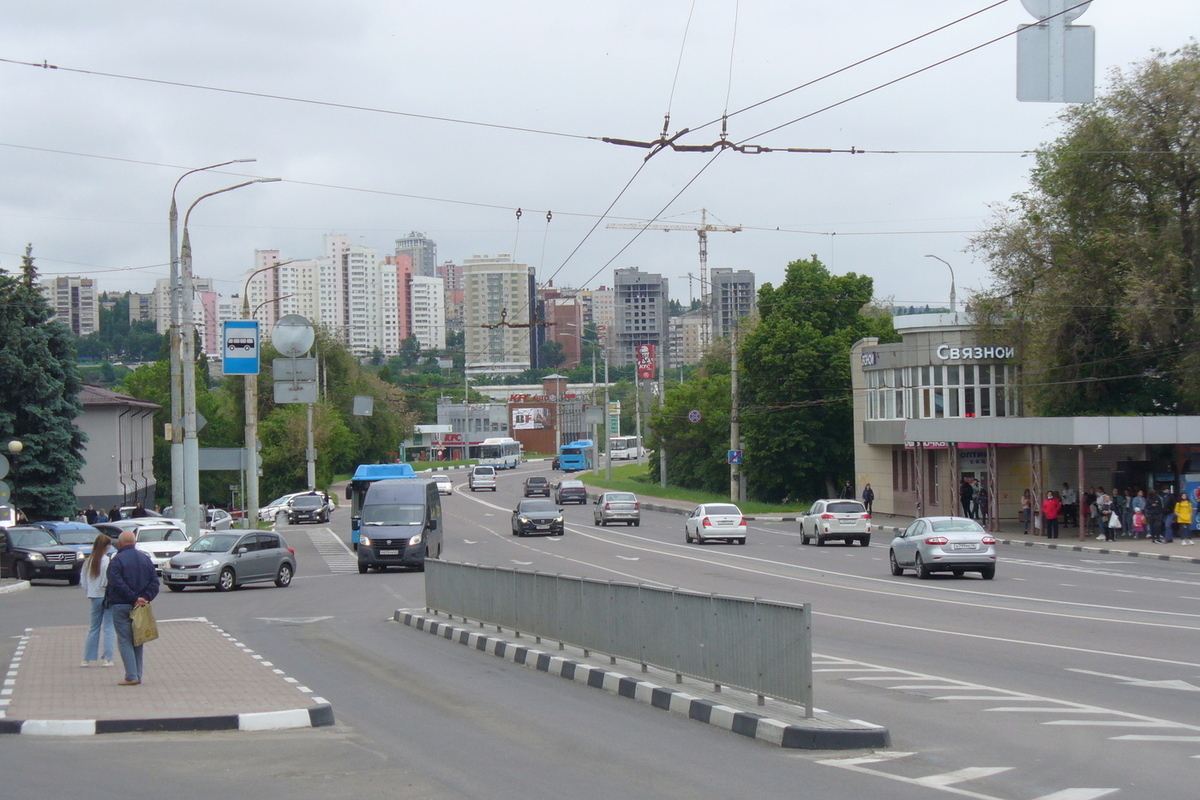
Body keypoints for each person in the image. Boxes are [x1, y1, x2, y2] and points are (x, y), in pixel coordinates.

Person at [105, 530, 159, 686]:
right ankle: (137, 675)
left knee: (125, 640)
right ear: (134, 542)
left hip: (121, 605)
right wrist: (144, 598)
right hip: (141, 607)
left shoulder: (117, 560)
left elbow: (116, 582)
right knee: (138, 639)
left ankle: (131, 676)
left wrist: (133, 598)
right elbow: (154, 582)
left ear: (120, 543)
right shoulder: (145, 559)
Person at [80, 533, 115, 668]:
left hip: (94, 596)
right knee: (108, 627)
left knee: (94, 627)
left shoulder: (89, 561)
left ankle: (86, 658)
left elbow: (83, 580)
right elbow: (108, 579)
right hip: (106, 596)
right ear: (106, 546)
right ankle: (108, 658)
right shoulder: (106, 561)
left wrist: (89, 592)